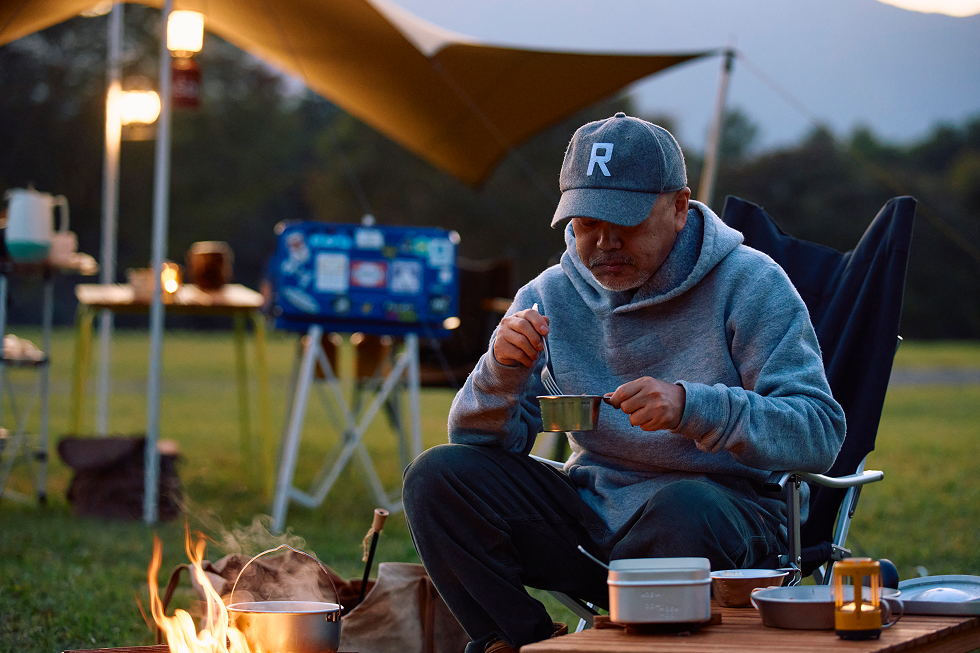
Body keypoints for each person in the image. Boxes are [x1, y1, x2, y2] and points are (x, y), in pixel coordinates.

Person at [402, 112, 846, 653]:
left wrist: (692, 406)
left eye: (626, 221)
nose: (605, 243)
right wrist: (501, 373)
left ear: (679, 207)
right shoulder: (547, 297)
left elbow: (820, 432)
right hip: (593, 521)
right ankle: (521, 644)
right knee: (436, 476)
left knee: (684, 507)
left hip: (723, 521)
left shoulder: (750, 283)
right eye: (587, 222)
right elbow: (483, 447)